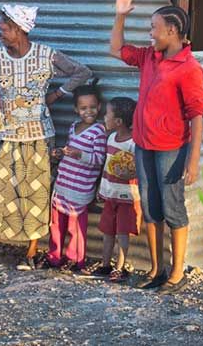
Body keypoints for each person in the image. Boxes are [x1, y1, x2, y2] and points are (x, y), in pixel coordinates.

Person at [0, 4, 93, 272]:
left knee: (35, 194)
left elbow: (82, 73)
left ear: (20, 29)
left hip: (38, 136)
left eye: (5, 29)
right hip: (6, 136)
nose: (1, 34)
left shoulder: (45, 55)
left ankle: (30, 254)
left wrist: (57, 94)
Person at [109, 0, 203, 293]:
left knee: (173, 208)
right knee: (151, 209)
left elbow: (197, 116)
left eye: (154, 28)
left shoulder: (189, 68)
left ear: (172, 31)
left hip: (171, 150)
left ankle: (177, 273)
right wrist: (120, 16)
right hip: (144, 145)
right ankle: (156, 270)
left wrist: (192, 160)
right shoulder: (150, 57)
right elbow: (116, 49)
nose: (150, 33)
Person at [46, 81, 108, 272]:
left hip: (80, 188)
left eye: (92, 107)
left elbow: (99, 159)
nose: (88, 111)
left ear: (99, 107)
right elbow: (68, 149)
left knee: (75, 227)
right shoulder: (73, 127)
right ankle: (54, 256)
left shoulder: (99, 131)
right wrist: (60, 153)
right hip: (63, 183)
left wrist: (79, 154)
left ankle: (75, 258)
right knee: (56, 223)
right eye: (83, 108)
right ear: (75, 109)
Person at [82, 97, 140, 283]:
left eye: (107, 114)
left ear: (118, 122)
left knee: (122, 233)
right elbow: (107, 166)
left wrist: (130, 172)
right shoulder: (111, 138)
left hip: (126, 197)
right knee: (108, 231)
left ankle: (120, 267)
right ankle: (105, 265)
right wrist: (101, 188)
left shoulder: (133, 143)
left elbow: (137, 168)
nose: (104, 117)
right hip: (109, 194)